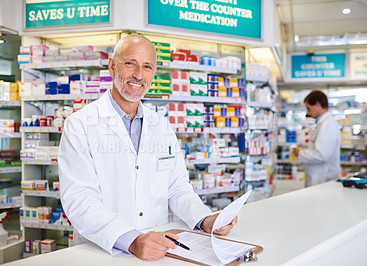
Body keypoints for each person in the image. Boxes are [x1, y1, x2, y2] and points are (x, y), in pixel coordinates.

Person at [58, 35, 237, 261]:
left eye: (147, 66)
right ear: (112, 66)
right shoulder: (80, 124)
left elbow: (177, 187)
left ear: (154, 72)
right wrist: (130, 240)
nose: (138, 75)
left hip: (158, 248)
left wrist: (204, 219)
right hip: (104, 250)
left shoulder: (161, 125)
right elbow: (79, 199)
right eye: (130, 63)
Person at [293, 90, 340, 187]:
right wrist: (304, 150)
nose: (308, 113)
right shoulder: (322, 123)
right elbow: (320, 148)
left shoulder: (327, 124)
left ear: (317, 104)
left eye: (309, 108)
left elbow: (321, 155)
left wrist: (300, 153)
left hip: (322, 180)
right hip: (319, 179)